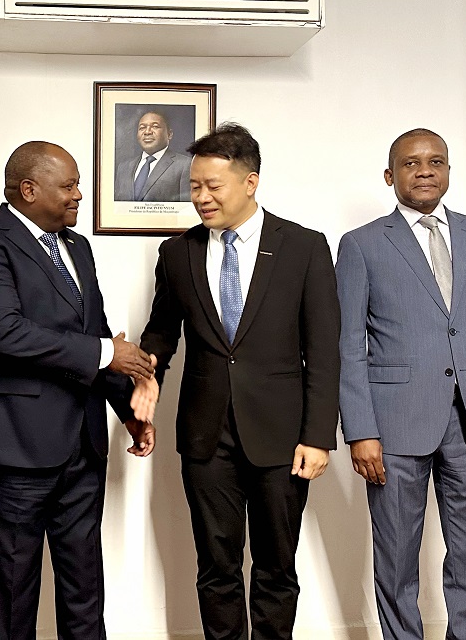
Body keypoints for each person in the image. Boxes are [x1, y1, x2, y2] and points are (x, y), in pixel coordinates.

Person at [335, 128, 466, 640]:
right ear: (390, 176)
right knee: (396, 558)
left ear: (448, 170)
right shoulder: (361, 244)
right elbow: (348, 345)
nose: (424, 170)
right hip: (393, 425)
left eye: (435, 161)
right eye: (411, 163)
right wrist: (360, 429)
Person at [136, 123, 340, 639]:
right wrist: (147, 370)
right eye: (194, 186)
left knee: (276, 568)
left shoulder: (304, 247)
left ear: (250, 183)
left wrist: (318, 436)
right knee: (216, 568)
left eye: (213, 186)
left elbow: (323, 352)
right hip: (206, 437)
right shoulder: (177, 253)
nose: (201, 198)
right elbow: (162, 331)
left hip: (283, 437)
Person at [0, 141, 157, 640]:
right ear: (29, 190)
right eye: (68, 185)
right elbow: (4, 333)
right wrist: (106, 352)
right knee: (11, 600)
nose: (79, 195)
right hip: (15, 453)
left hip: (82, 450)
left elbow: (95, 333)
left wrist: (128, 409)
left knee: (85, 593)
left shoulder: (77, 247)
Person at [115, 111, 192, 202]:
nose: (147, 132)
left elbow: (186, 207)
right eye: (142, 127)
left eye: (155, 126)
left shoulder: (185, 165)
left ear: (169, 134)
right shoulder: (123, 168)